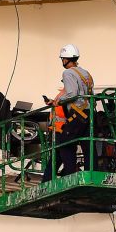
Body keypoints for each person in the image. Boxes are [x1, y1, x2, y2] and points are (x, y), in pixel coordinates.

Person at [42, 44, 94, 181]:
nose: (62, 62)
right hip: (88, 114)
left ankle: (69, 175)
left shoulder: (68, 73)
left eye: (62, 59)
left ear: (66, 59)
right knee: (88, 145)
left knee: (63, 143)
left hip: (77, 114)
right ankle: (91, 174)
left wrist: (56, 102)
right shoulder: (85, 73)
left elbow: (72, 93)